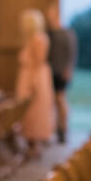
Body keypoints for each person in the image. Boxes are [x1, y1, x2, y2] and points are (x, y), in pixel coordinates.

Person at [15, 9, 54, 152]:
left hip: (34, 78)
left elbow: (39, 62)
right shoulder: (32, 38)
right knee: (29, 112)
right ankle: (31, 145)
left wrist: (32, 84)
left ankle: (34, 145)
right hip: (29, 75)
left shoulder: (38, 38)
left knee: (34, 111)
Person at [45, 3, 77, 144]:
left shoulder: (66, 33)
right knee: (50, 102)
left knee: (60, 100)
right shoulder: (48, 32)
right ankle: (53, 129)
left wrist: (68, 69)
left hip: (61, 71)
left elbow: (71, 53)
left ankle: (63, 129)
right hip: (48, 72)